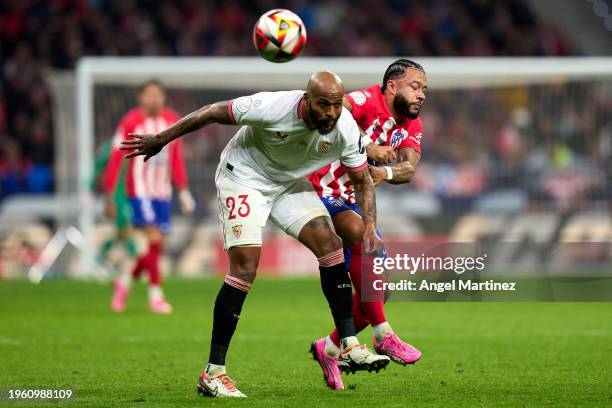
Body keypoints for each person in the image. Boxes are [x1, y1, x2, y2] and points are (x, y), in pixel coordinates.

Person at [121, 71, 390, 398]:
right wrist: (161, 139)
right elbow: (212, 112)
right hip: (244, 178)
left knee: (330, 244)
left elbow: (363, 182)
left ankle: (348, 344)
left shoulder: (344, 126)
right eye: (323, 104)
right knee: (246, 267)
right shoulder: (273, 106)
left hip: (288, 184)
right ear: (306, 100)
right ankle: (214, 373)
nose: (331, 112)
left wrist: (371, 226)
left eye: (336, 104)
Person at [308, 59, 427, 390]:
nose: (421, 95)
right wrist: (367, 145)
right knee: (364, 239)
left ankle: (328, 348)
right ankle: (383, 335)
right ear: (392, 86)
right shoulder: (365, 100)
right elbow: (333, 112)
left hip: (349, 198)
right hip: (318, 188)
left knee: (378, 290)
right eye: (415, 86)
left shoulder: (411, 125)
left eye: (424, 90)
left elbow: (409, 168)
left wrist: (384, 172)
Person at [104, 79, 195, 314]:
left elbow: (176, 158)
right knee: (153, 239)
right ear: (140, 97)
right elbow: (116, 158)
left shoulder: (172, 120)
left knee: (154, 248)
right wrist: (110, 195)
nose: (154, 99)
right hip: (139, 193)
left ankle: (124, 281)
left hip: (162, 194)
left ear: (164, 97)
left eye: (158, 94)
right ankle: (156, 296)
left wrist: (183, 191)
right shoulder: (130, 122)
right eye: (149, 94)